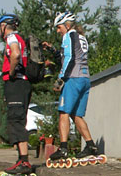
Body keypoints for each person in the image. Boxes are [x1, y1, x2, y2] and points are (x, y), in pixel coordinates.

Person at [42, 12, 100, 162]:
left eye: (59, 27)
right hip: (84, 78)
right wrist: (53, 50)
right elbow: (70, 55)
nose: (57, 30)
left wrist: (61, 78)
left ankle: (63, 148)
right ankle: (91, 146)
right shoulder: (81, 37)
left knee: (63, 112)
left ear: (67, 25)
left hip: (73, 78)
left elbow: (70, 59)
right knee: (76, 115)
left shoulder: (69, 36)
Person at [0, 13, 34, 176]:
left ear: (4, 26)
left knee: (16, 120)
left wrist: (11, 72)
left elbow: (15, 54)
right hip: (24, 84)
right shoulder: (20, 38)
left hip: (17, 83)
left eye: (0, 27)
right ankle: (21, 159)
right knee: (19, 118)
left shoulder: (12, 38)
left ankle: (24, 161)